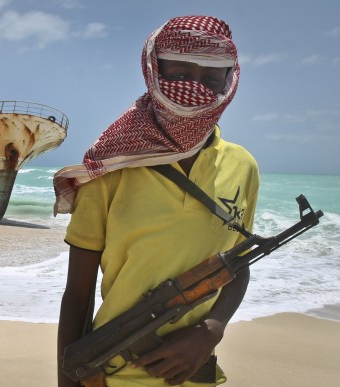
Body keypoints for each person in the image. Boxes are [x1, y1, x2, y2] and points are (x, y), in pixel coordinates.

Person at [55, 16, 259, 387]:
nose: (195, 89)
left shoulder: (242, 166)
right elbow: (78, 294)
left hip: (193, 373)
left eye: (211, 79)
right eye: (180, 74)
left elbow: (237, 262)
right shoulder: (111, 169)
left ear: (229, 82)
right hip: (112, 375)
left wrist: (212, 329)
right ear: (154, 71)